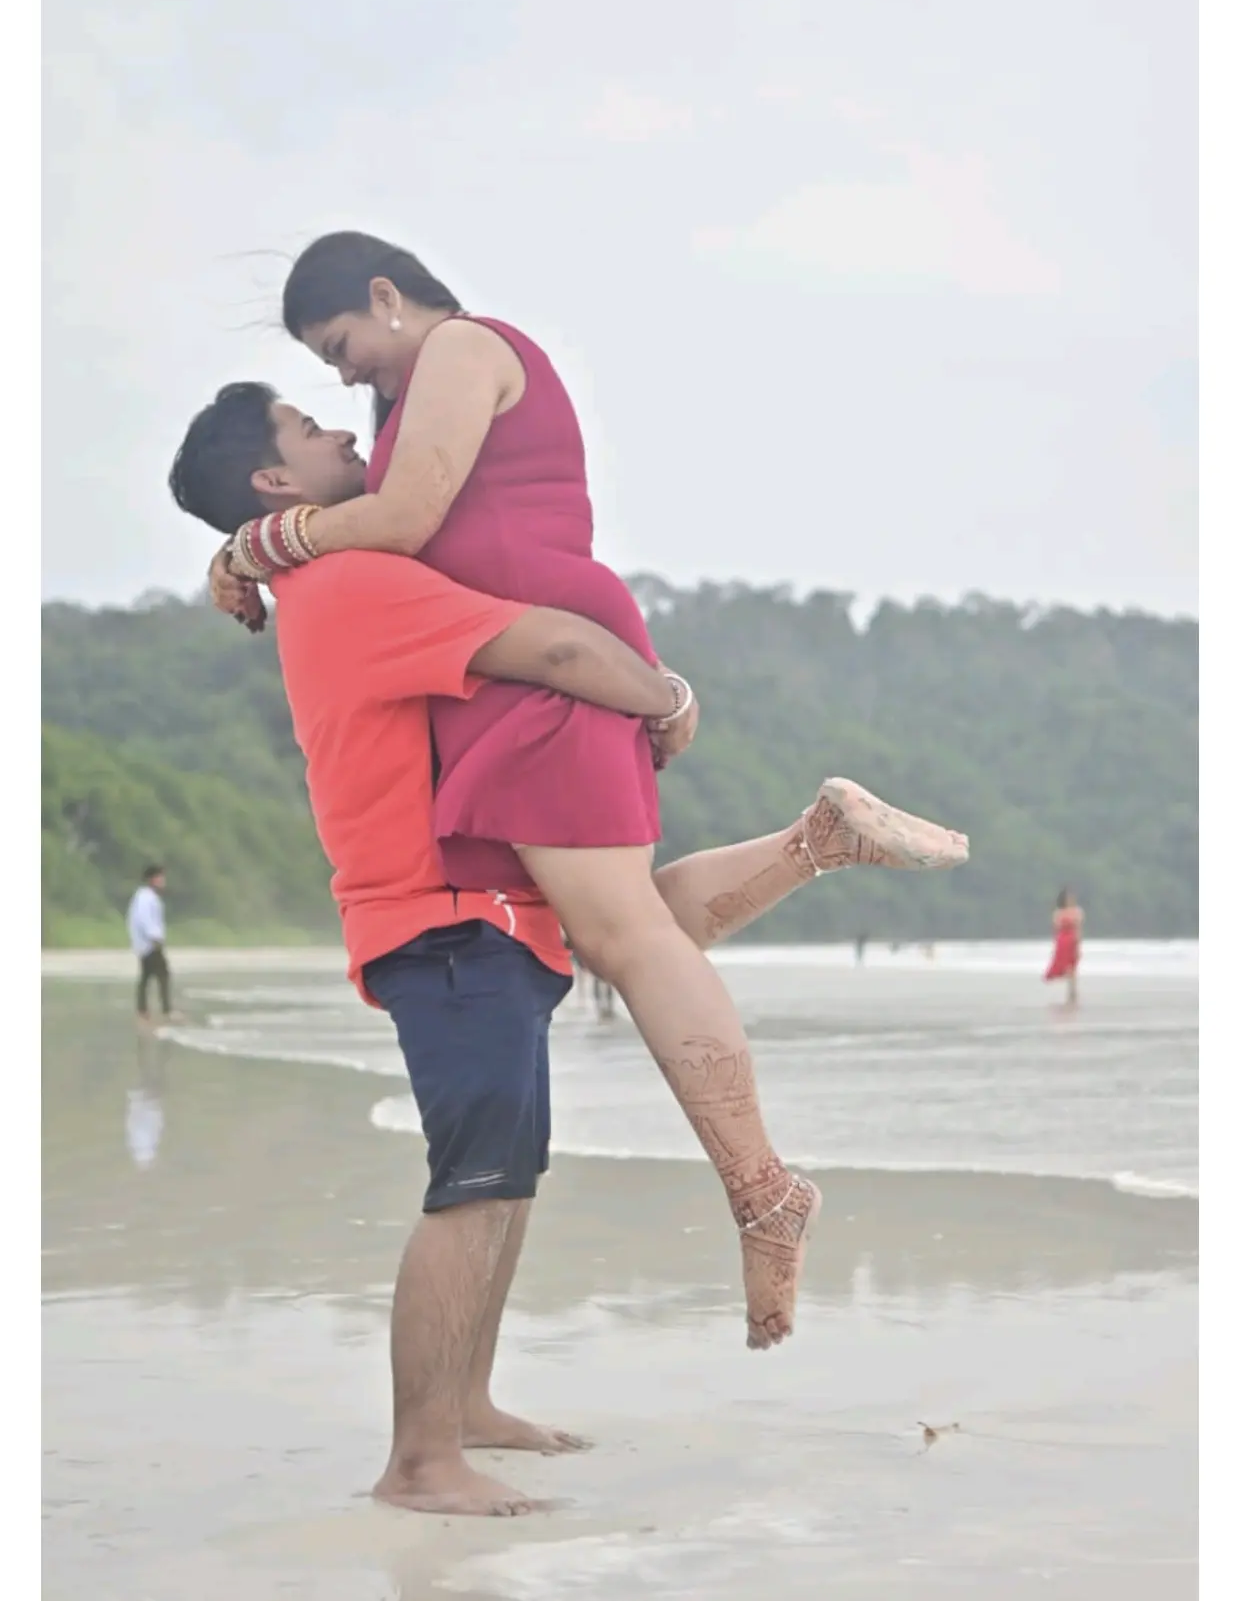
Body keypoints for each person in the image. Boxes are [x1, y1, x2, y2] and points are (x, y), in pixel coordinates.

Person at [172, 385, 971, 1517]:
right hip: (441, 913)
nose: (349, 432)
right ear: (273, 482)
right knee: (474, 1184)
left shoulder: (317, 569)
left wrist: (246, 551)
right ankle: (418, 1461)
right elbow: (545, 641)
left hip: (478, 901)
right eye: (314, 428)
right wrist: (662, 697)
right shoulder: (351, 578)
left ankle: (471, 1404)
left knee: (523, 1153)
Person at [127, 864, 174, 1023]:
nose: (163, 881)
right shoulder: (145, 898)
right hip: (149, 943)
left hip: (145, 943)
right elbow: (144, 919)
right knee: (163, 974)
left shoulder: (146, 896)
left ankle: (143, 1010)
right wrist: (155, 937)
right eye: (160, 877)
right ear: (152, 879)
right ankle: (166, 1010)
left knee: (146, 976)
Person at [1045, 888, 1083, 1005]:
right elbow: (1056, 928)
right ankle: (1071, 991)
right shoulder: (1058, 912)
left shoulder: (1077, 911)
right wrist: (1055, 945)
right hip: (1062, 940)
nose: (1070, 900)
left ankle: (1072, 991)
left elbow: (1078, 928)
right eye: (1068, 898)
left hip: (1072, 940)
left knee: (1073, 966)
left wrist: (1079, 944)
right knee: (1065, 966)